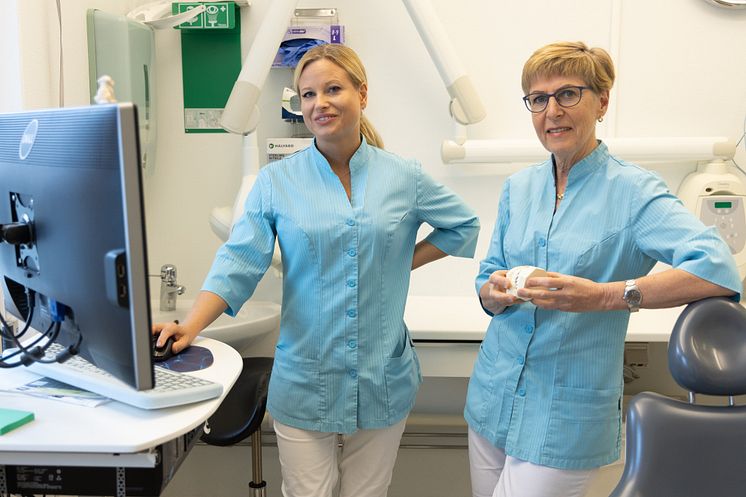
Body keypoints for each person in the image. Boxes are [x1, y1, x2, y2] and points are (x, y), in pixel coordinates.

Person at [153, 43, 480, 497]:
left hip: (381, 375)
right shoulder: (277, 182)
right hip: (307, 377)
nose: (319, 103)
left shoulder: (403, 176)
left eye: (332, 89)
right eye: (307, 95)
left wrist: (401, 261)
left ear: (362, 94)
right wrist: (189, 326)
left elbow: (463, 225)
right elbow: (238, 262)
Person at [464, 41, 741, 497]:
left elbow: (716, 270)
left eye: (568, 94)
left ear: (602, 102)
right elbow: (489, 271)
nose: (552, 111)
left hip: (565, 413)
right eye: (538, 99)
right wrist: (491, 292)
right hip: (493, 398)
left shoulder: (633, 191)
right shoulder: (519, 188)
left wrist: (604, 297)